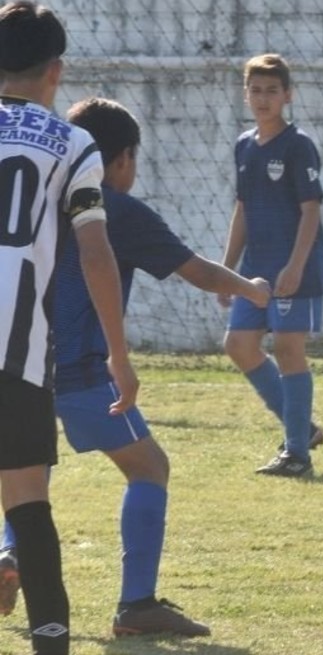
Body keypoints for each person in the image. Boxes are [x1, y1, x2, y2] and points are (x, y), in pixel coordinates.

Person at [1, 97, 271, 637]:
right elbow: (199, 272)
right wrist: (251, 288)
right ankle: (137, 605)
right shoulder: (116, 208)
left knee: (26, 477)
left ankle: (10, 554)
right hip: (80, 373)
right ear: (122, 158)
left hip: (20, 363)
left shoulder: (34, 196)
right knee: (149, 466)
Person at [0, 4, 138, 653]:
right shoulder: (73, 144)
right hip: (18, 351)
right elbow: (95, 252)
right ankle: (51, 642)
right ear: (55, 70)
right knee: (28, 502)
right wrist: (119, 353)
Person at [220, 53, 323, 477]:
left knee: (287, 348)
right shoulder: (244, 146)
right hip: (255, 270)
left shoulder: (298, 145)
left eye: (271, 90)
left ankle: (297, 455)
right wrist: (227, 272)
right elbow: (242, 209)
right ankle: (302, 429)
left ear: (288, 95)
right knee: (238, 344)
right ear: (245, 95)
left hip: (294, 267)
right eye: (256, 90)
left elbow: (311, 210)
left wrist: (296, 266)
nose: (263, 98)